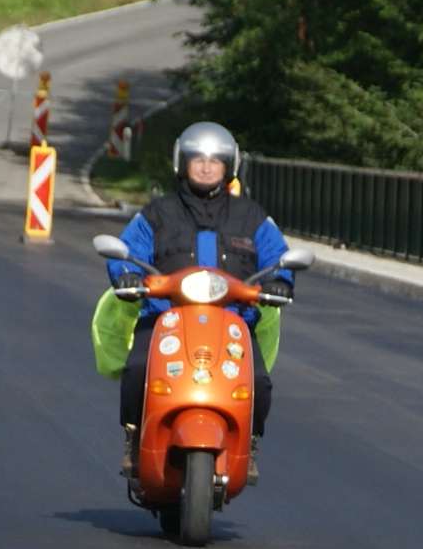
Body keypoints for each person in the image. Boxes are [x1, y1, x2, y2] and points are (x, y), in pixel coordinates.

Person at [109, 122, 296, 451]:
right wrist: (127, 273)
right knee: (138, 370)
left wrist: (279, 280)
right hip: (165, 319)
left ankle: (248, 443)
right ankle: (135, 437)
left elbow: (277, 255)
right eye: (198, 159)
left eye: (215, 161)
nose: (207, 167)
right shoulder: (157, 213)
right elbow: (128, 250)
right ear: (182, 163)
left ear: (229, 166)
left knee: (259, 383)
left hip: (232, 322)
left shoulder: (251, 216)